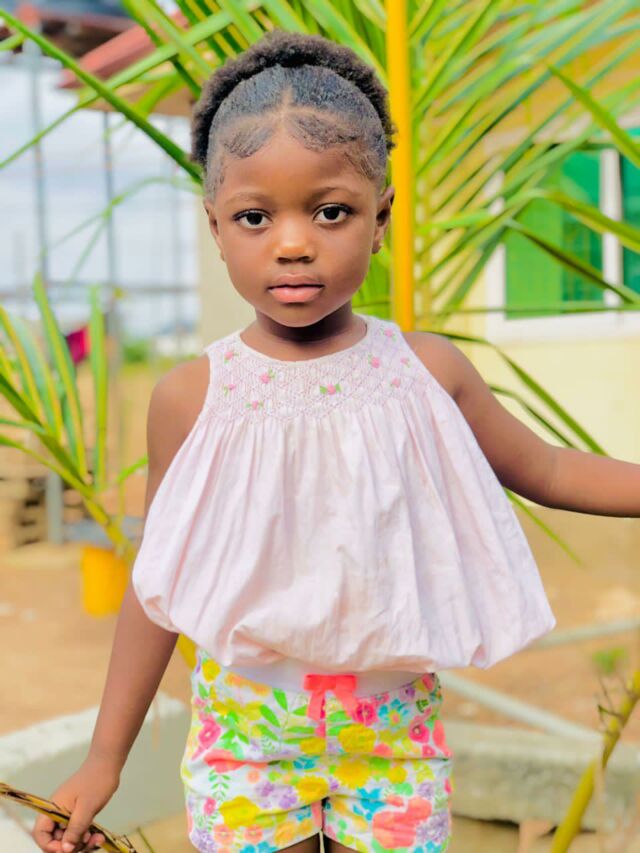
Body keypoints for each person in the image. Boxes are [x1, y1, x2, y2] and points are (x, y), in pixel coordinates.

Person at [32, 27, 640, 853]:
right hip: (245, 734)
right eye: (255, 216)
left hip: (393, 732)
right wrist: (105, 757)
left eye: (330, 211)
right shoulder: (193, 397)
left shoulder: (426, 371)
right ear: (216, 226)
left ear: (380, 216)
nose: (293, 242)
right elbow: (158, 578)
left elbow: (549, 467)